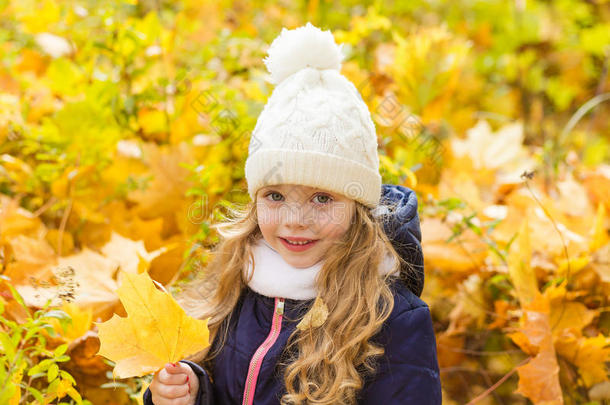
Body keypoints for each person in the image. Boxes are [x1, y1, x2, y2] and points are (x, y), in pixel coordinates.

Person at [144, 22, 441, 405]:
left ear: (358, 207)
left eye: (321, 198)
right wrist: (193, 394)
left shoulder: (391, 319)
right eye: (275, 196)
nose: (295, 219)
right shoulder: (235, 285)